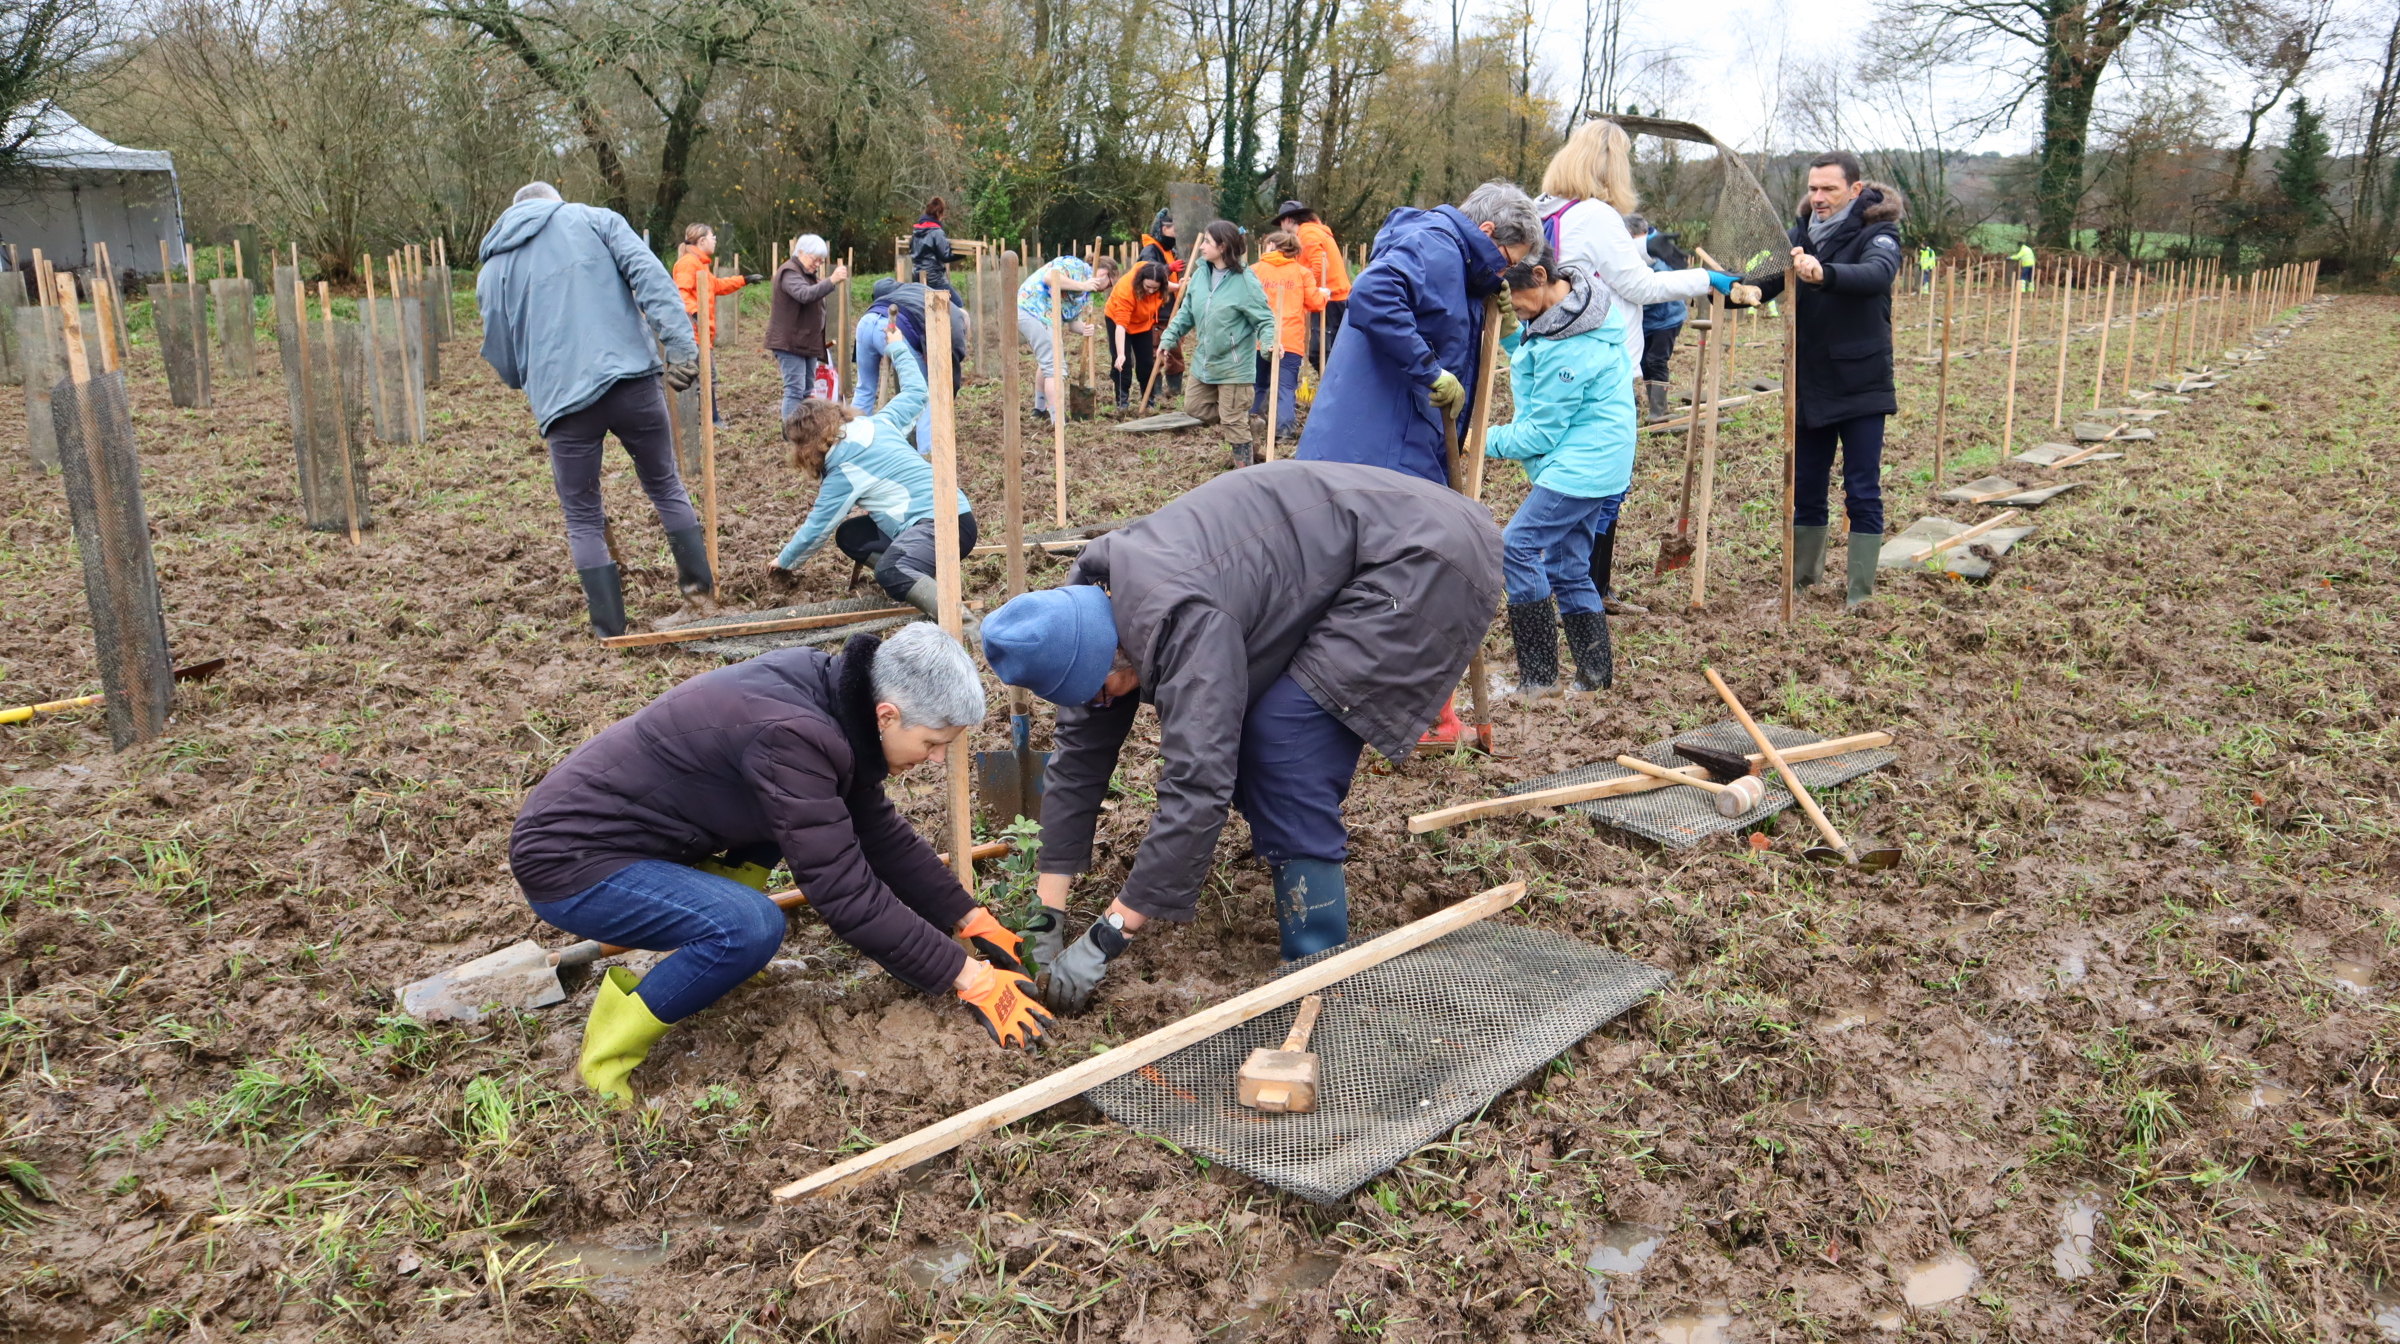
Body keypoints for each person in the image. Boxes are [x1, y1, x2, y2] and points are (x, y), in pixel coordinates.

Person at [976, 460, 1503, 1013]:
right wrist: (1046, 915)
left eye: (1105, 691)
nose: (1104, 706)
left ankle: (1316, 953)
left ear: (1114, 651)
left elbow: (1198, 783)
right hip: (1356, 545)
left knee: (1283, 742)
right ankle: (1288, 841)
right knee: (1245, 726)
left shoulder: (1183, 619)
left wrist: (1111, 933)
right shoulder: (1088, 612)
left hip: (1422, 559)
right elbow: (1079, 755)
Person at [509, 623, 1051, 1107]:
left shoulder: (834, 694)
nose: (936, 759)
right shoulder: (791, 736)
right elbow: (846, 893)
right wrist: (969, 977)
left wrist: (968, 918)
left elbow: (877, 831)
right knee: (750, 926)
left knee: (795, 825)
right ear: (888, 714)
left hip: (645, 837)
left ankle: (707, 924)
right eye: (933, 743)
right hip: (571, 862)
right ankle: (607, 1055)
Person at [1294, 180, 1540, 745]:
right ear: (1485, 233)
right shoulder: (1432, 243)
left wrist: (1488, 295)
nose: (1506, 272)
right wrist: (1428, 369)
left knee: (1408, 570)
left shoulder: (1455, 257)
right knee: (1404, 573)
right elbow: (1375, 294)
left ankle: (1415, 709)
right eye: (1506, 260)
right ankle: (1387, 708)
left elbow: (1436, 308)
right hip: (1376, 447)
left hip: (1402, 441)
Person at [477, 182, 708, 638]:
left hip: (564, 404)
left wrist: (532, 372)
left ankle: (611, 631)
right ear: (554, 199)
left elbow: (501, 355)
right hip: (632, 382)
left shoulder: (493, 268)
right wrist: (681, 346)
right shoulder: (595, 219)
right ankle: (700, 600)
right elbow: (650, 277)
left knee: (581, 514)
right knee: (664, 483)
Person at [1535, 122, 1740, 617]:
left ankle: (1572, 581)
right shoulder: (1598, 214)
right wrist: (1706, 278)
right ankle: (1585, 587)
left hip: (1555, 363)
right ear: (1611, 163)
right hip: (1603, 368)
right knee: (1607, 482)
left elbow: (1576, 273)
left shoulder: (1542, 209)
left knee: (1568, 472)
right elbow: (1640, 286)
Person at [1746, 150, 1906, 610]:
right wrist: (1744, 288)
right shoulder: (1801, 233)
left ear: (1854, 190)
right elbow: (1772, 278)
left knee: (1862, 487)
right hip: (1809, 381)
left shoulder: (1879, 232)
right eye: (1813, 188)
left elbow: (1877, 275)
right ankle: (1802, 578)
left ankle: (1860, 592)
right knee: (1807, 484)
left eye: (1828, 189)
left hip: (1861, 383)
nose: (1817, 197)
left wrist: (1824, 272)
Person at [1484, 254, 1636, 696]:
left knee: (1516, 547)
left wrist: (1480, 439)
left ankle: (1539, 678)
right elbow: (1539, 353)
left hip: (1582, 465)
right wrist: (1515, 336)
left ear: (1539, 277)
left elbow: (1538, 433)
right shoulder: (1574, 315)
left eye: (1515, 298)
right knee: (1570, 567)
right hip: (1600, 460)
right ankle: (1594, 678)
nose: (1513, 307)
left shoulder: (1573, 346)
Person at [770, 323, 974, 620]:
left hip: (942, 529)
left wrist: (784, 561)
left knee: (890, 572)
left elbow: (816, 528)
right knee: (851, 535)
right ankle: (917, 578)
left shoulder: (843, 468)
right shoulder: (880, 422)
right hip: (959, 516)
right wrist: (897, 346)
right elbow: (918, 392)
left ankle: (959, 617)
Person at [1156, 221, 1278, 468]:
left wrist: (1268, 345)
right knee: (1194, 406)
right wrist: (1168, 338)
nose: (1201, 247)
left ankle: (1244, 472)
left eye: (1207, 242)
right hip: (1205, 361)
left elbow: (1265, 319)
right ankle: (1247, 423)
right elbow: (1187, 311)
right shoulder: (1201, 273)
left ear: (1222, 247)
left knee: (1232, 421)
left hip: (1235, 365)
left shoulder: (1245, 281)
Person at [849, 278, 969, 454]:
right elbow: (952, 360)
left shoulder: (913, 288)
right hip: (895, 329)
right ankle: (928, 453)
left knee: (864, 388)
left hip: (867, 321)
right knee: (926, 393)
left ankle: (852, 444)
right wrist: (949, 390)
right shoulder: (956, 317)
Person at [672, 224, 758, 426]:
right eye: (713, 237)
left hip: (702, 333)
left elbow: (716, 285)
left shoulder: (701, 264)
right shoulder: (688, 264)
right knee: (704, 378)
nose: (715, 240)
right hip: (693, 333)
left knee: (707, 377)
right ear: (701, 241)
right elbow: (680, 293)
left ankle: (708, 419)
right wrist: (694, 313)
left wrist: (743, 280)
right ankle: (707, 420)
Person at [1016, 252, 1118, 419]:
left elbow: (1072, 322)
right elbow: (1050, 277)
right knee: (1055, 367)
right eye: (1109, 284)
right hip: (1032, 310)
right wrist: (1083, 285)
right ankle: (1057, 419)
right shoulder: (1074, 265)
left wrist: (1084, 328)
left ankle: (1040, 410)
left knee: (1048, 361)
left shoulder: (1085, 293)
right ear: (1103, 274)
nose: (1106, 289)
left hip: (1046, 318)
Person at [1249, 231, 1326, 444]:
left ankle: (1251, 423)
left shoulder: (1254, 271)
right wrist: (1325, 295)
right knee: (1285, 387)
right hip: (1290, 339)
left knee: (1258, 384)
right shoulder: (1302, 273)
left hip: (1258, 339)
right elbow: (1315, 303)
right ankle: (1283, 431)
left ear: (1272, 245)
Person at [765, 235, 848, 421]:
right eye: (815, 259)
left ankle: (802, 431)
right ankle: (791, 434)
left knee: (806, 391)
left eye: (821, 260)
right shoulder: (789, 272)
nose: (817, 264)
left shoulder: (806, 274)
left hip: (806, 342)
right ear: (801, 252)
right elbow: (804, 294)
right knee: (795, 390)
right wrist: (831, 281)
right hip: (790, 342)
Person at [1624, 213, 1685, 424]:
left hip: (1666, 317)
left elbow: (1656, 289)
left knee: (1656, 360)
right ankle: (1652, 404)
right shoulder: (1632, 248)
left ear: (1638, 234)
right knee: (1643, 361)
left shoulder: (1658, 252)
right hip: (1645, 318)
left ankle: (1659, 410)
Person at [1274, 200, 1350, 367]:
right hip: (1334, 296)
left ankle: (1332, 387)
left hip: (1330, 297)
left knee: (1319, 353)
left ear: (1287, 220)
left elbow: (1320, 266)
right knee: (1331, 350)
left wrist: (1300, 288)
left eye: (1280, 221)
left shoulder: (1307, 234)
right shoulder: (1314, 231)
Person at [1104, 260, 1170, 411]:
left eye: (1156, 288)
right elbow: (1121, 325)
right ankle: (1122, 403)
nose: (1152, 291)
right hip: (1118, 321)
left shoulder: (1157, 281)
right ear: (1141, 282)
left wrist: (1179, 286)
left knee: (1146, 363)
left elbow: (1167, 287)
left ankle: (1148, 401)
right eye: (1148, 287)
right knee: (1123, 364)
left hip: (1143, 322)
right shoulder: (1126, 290)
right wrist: (1121, 354)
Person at [1137, 213, 1186, 398]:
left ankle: (1174, 392)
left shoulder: (1169, 250)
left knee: (1174, 350)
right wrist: (1168, 269)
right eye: (1175, 229)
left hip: (1171, 309)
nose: (1177, 233)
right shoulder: (1151, 250)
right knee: (1155, 351)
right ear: (1164, 229)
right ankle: (1155, 393)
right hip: (1155, 311)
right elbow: (1145, 274)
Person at [908, 197, 964, 292]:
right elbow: (945, 256)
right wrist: (962, 253)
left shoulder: (916, 231)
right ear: (939, 214)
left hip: (917, 275)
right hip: (934, 278)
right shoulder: (937, 232)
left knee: (926, 304)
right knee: (957, 303)